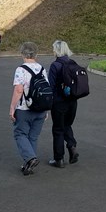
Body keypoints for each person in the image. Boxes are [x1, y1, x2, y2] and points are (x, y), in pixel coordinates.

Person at [9, 42, 48, 176]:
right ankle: (28, 164)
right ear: (36, 54)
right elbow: (45, 90)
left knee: (20, 134)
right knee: (33, 136)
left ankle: (30, 158)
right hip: (40, 109)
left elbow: (19, 90)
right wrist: (46, 110)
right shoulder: (42, 69)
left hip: (24, 108)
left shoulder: (21, 69)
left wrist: (12, 107)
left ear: (22, 54)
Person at [47, 40, 80, 168]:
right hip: (72, 101)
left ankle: (58, 159)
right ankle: (72, 147)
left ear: (57, 50)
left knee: (58, 129)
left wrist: (48, 104)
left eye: (53, 48)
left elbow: (51, 86)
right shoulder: (73, 63)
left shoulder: (55, 65)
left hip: (59, 102)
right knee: (67, 125)